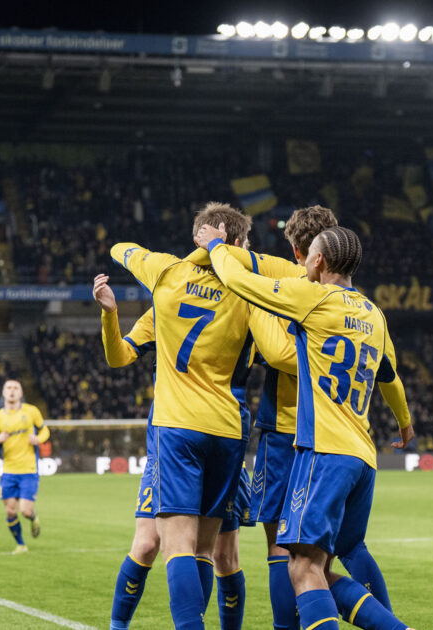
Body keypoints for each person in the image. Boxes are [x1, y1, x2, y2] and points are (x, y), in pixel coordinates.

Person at [198, 223, 417, 630]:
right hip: (363, 456)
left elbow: (235, 279)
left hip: (324, 453)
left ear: (318, 260)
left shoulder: (312, 297)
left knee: (299, 567)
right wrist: (405, 425)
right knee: (323, 565)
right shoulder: (375, 314)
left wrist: (214, 244)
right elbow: (390, 377)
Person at [110, 203, 257, 630]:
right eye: (244, 244)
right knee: (156, 544)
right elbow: (121, 353)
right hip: (221, 431)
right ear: (229, 242)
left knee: (210, 553)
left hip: (184, 432)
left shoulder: (169, 279)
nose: (249, 252)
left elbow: (122, 248)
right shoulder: (248, 292)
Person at [0, 379, 49, 554]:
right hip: (8, 471)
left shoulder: (31, 411)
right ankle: (21, 545)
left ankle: (33, 518)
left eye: (16, 388)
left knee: (25, 511)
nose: (12, 391)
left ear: (21, 393)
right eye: (9, 388)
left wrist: (39, 439)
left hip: (29, 470)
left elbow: (44, 430)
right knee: (11, 512)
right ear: (3, 392)